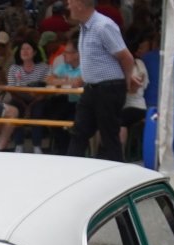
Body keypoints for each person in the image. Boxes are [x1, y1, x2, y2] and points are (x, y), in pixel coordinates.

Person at [65, 0, 137, 161]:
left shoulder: (103, 26)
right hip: (92, 88)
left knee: (108, 135)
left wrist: (125, 82)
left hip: (109, 88)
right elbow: (99, 60)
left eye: (70, 3)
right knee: (79, 131)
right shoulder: (85, 26)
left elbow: (126, 57)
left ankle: (117, 174)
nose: (68, 7)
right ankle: (69, 168)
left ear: (80, 5)